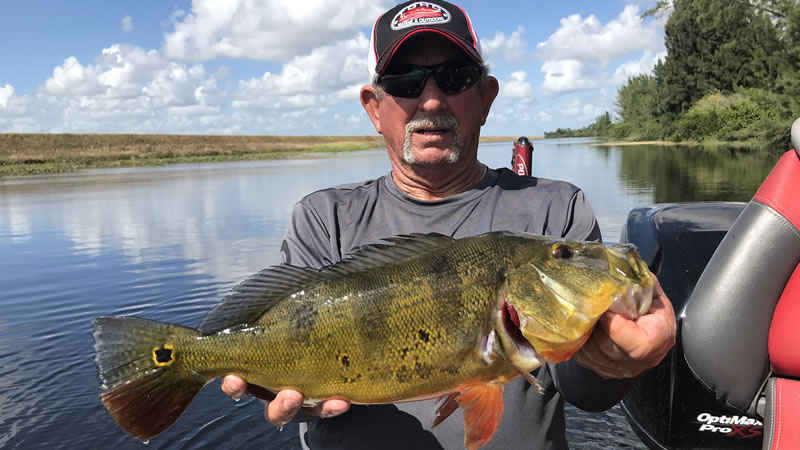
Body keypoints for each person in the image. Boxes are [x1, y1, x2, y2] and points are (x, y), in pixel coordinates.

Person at [222, 1, 677, 448]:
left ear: (485, 96)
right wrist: (283, 391)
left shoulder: (554, 211)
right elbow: (285, 372)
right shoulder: (323, 219)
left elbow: (584, 390)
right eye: (404, 82)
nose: (432, 99)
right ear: (373, 107)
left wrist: (621, 360)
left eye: (456, 77)